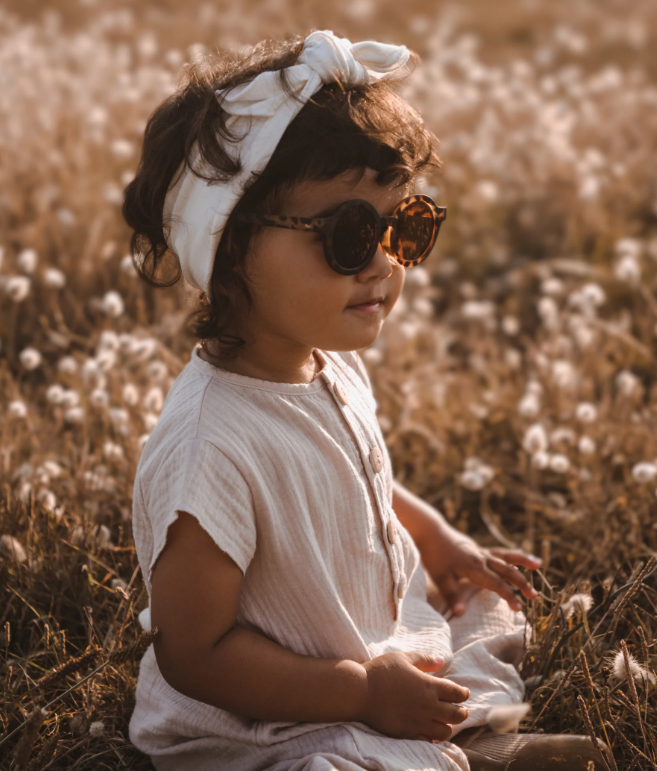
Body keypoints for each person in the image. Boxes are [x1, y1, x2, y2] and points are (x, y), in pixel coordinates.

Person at [121, 29, 610, 771]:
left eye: (403, 225)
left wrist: (441, 539)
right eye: (348, 234)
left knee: (480, 608)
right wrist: (355, 691)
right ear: (227, 247)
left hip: (358, 639)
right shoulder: (208, 448)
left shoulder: (322, 361)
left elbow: (354, 476)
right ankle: (459, 751)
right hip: (268, 716)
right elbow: (196, 653)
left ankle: (445, 734)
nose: (384, 260)